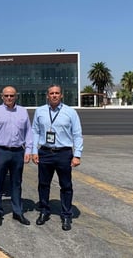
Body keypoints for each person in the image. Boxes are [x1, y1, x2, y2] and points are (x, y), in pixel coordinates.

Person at [31, 84, 83, 231]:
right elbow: (35, 131)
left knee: (66, 186)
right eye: (51, 93)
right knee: (43, 184)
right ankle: (44, 211)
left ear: (61, 95)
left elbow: (77, 134)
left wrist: (77, 155)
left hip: (64, 153)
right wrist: (34, 151)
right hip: (45, 152)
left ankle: (66, 215)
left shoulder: (70, 112)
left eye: (57, 93)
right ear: (47, 95)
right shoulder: (40, 111)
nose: (54, 95)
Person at [0, 86, 33, 226]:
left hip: (18, 152)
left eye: (11, 95)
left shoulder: (22, 112)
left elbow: (28, 132)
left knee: (16, 183)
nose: (9, 98)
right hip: (1, 151)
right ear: (2, 96)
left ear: (16, 96)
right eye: (6, 95)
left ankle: (17, 212)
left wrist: (28, 150)